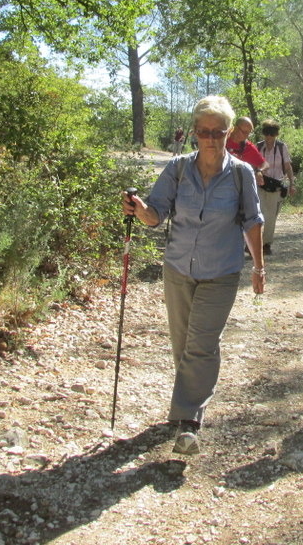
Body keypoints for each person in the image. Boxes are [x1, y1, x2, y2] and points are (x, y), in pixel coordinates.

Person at [122, 95, 266, 455]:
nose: (211, 138)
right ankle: (189, 400)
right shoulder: (178, 169)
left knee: (201, 344)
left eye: (218, 131)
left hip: (221, 271)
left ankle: (188, 422)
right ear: (195, 133)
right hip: (178, 269)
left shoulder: (240, 173)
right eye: (204, 131)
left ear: (229, 133)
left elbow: (252, 221)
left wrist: (259, 268)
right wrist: (139, 210)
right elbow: (156, 214)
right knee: (183, 343)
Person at [257, 119, 295, 256]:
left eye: (272, 133)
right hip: (261, 185)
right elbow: (253, 165)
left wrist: (292, 184)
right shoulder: (258, 147)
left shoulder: (281, 147)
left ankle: (266, 244)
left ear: (276, 134)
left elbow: (287, 166)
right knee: (260, 215)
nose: (269, 136)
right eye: (266, 133)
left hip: (277, 186)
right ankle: (256, 244)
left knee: (271, 217)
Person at [226, 116, 268, 186]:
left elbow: (265, 164)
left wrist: (259, 171)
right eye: (244, 132)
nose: (246, 136)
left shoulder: (248, 147)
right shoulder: (221, 138)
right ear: (236, 128)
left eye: (248, 133)